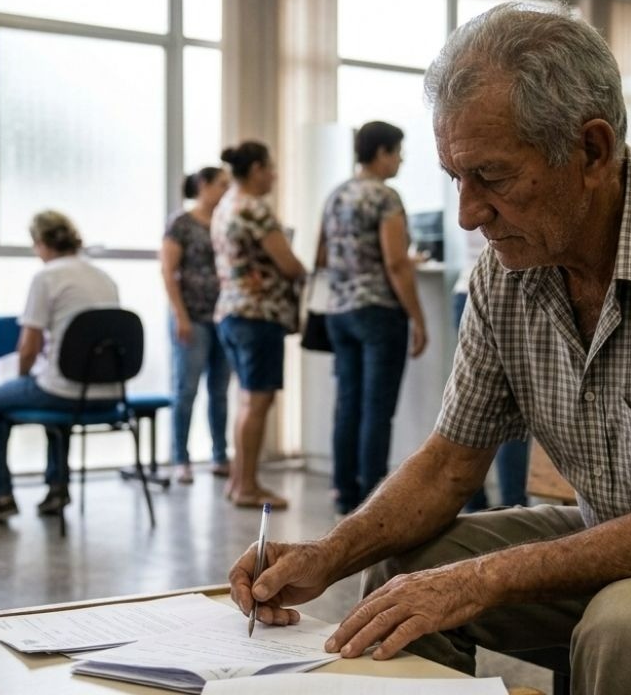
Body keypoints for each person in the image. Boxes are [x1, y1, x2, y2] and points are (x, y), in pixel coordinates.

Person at [229, 3, 631, 695]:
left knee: (629, 628)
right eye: (455, 176)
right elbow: (451, 463)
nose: (467, 213)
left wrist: (482, 579)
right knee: (402, 578)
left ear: (593, 151)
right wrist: (330, 552)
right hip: (630, 538)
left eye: (492, 176)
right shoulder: (508, 273)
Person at [0, 211, 120, 523]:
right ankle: (57, 487)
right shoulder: (103, 276)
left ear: (40, 243)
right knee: (58, 388)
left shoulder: (47, 277)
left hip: (65, 390)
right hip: (110, 391)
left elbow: (28, 348)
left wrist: (19, 380)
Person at [321, 121, 427, 515]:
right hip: (379, 311)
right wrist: (417, 318)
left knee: (348, 403)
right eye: (398, 151)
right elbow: (396, 264)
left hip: (339, 312)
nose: (401, 159)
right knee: (377, 408)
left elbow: (320, 255)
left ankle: (344, 490)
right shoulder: (385, 197)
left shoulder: (336, 195)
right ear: (381, 152)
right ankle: (372, 499)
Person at [212, 141, 306, 510]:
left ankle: (238, 482)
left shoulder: (225, 206)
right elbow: (288, 264)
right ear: (255, 170)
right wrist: (303, 270)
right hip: (258, 314)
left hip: (232, 312)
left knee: (246, 400)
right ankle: (248, 486)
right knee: (257, 401)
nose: (275, 175)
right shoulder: (255, 209)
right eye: (270, 167)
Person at [163, 167, 233, 485]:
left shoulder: (225, 223)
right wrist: (181, 316)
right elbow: (168, 271)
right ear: (203, 186)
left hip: (223, 317)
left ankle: (220, 455)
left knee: (219, 391)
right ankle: (181, 458)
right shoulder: (182, 223)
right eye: (221, 185)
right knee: (186, 389)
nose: (226, 191)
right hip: (191, 318)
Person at [452, 229, 528, 511]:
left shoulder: (468, 194)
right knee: (513, 411)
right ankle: (513, 504)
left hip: (464, 290)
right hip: (503, 287)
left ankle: (474, 506)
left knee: (473, 406)